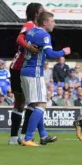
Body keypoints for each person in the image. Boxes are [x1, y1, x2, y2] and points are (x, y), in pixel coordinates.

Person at [19, 12, 70, 146]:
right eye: (52, 21)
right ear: (45, 22)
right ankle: (28, 138)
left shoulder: (31, 32)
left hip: (25, 71)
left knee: (35, 105)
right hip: (34, 72)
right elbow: (50, 54)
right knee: (42, 105)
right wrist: (64, 52)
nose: (54, 24)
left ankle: (43, 136)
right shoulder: (44, 35)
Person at [8, 3, 44, 145]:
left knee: (26, 103)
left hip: (22, 68)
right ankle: (19, 137)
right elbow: (19, 39)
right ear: (36, 13)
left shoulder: (37, 29)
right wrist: (29, 46)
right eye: (42, 10)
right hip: (19, 68)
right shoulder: (29, 25)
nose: (44, 12)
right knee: (27, 103)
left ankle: (18, 138)